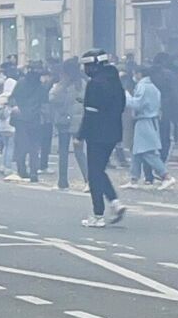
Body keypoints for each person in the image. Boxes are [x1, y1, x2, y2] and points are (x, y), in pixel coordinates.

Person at [77, 50, 127, 227]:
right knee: (99, 170)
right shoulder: (115, 82)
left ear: (94, 65)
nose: (85, 69)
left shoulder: (94, 84)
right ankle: (114, 202)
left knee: (94, 172)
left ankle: (98, 214)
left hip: (96, 132)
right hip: (113, 131)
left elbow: (90, 112)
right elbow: (122, 105)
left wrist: (80, 135)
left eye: (87, 65)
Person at [123, 64, 175, 189]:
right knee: (137, 150)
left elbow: (137, 104)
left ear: (139, 74)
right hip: (151, 120)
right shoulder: (153, 87)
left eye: (135, 74)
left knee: (147, 152)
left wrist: (126, 96)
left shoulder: (142, 86)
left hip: (144, 120)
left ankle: (166, 176)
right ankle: (134, 178)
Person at [48, 60, 83, 191]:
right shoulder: (82, 83)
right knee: (80, 152)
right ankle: (88, 180)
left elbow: (53, 98)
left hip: (64, 120)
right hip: (79, 121)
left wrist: (56, 86)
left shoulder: (64, 85)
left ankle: (63, 181)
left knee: (63, 152)